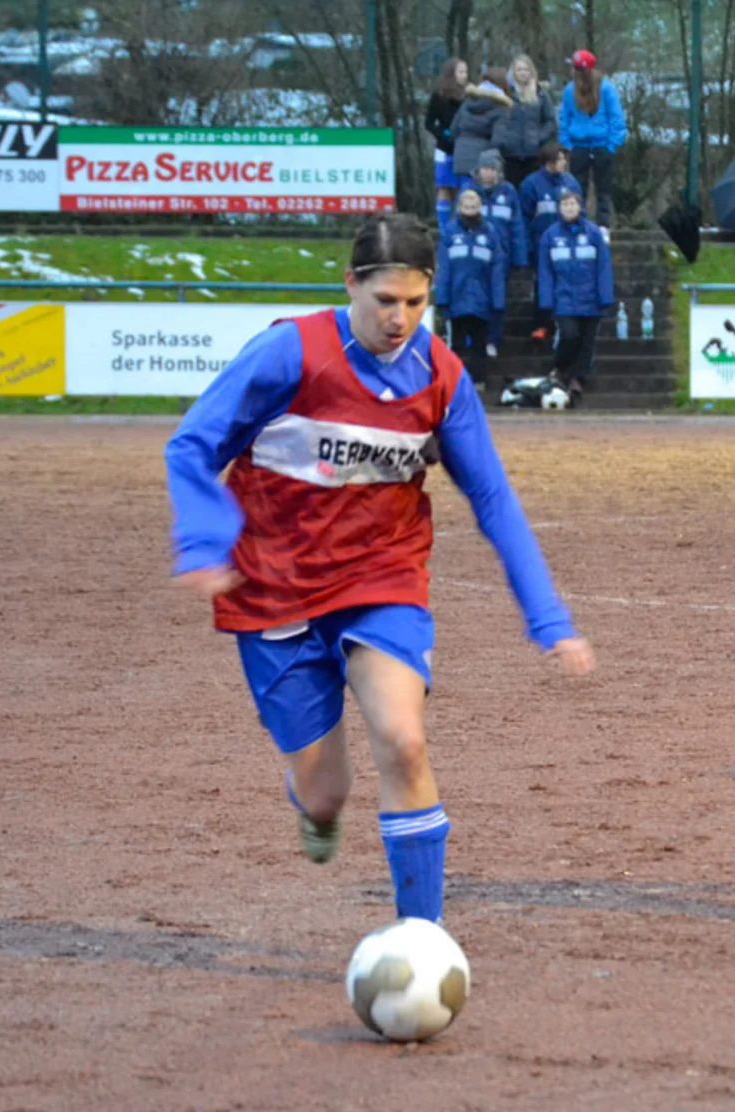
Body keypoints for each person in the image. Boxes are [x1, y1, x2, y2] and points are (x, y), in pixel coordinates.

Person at [164, 213, 593, 920]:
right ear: (350, 286)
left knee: (402, 740)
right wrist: (207, 542)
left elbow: (491, 497)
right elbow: (192, 445)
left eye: (416, 303)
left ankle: (420, 938)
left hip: (379, 579)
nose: (400, 320)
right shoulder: (287, 353)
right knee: (327, 791)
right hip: (276, 587)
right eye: (384, 302)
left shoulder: (439, 375)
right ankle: (317, 807)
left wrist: (548, 617)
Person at [538, 189, 615, 400]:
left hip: (591, 299)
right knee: (569, 335)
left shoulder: (594, 234)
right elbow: (545, 271)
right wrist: (546, 299)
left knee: (587, 342)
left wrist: (605, 296)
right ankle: (559, 368)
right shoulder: (550, 236)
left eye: (572, 204)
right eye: (565, 205)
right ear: (559, 208)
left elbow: (603, 267)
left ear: (580, 207)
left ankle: (578, 379)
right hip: (564, 298)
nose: (569, 208)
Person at [434, 187, 507, 388]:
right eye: (466, 206)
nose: (470, 209)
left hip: (481, 299)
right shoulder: (450, 231)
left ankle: (479, 383)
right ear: (459, 207)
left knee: (479, 344)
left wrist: (497, 299)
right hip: (456, 297)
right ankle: (454, 383)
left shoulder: (490, 232)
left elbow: (497, 269)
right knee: (456, 345)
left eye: (474, 206)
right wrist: (443, 298)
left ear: (480, 207)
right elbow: (445, 268)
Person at [520, 143, 582, 337]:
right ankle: (541, 324)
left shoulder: (571, 182)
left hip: (567, 243)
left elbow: (581, 212)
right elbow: (524, 218)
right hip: (541, 244)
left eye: (565, 159)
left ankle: (564, 324)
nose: (564, 162)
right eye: (560, 159)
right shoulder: (531, 184)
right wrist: (528, 246)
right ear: (549, 160)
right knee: (543, 284)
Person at [560, 49, 626, 233]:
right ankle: (578, 222)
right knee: (577, 187)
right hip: (578, 146)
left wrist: (612, 144)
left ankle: (603, 225)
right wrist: (567, 143)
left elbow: (616, 117)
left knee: (603, 189)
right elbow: (564, 117)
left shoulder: (606, 89)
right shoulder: (569, 91)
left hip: (602, 145)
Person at [495, 53, 557, 190]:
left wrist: (538, 139)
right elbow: (498, 120)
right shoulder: (505, 94)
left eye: (526, 69)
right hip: (510, 155)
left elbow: (550, 122)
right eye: (519, 69)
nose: (523, 73)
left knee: (532, 192)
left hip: (533, 154)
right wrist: (504, 140)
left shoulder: (541, 94)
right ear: (513, 72)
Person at [451, 64, 512, 190]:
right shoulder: (501, 108)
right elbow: (498, 141)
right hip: (484, 164)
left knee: (464, 200)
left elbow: (453, 129)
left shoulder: (467, 103)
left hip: (461, 157)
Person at [425, 58, 470, 225]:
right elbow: (429, 123)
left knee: (463, 190)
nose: (464, 76)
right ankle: (444, 227)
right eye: (460, 72)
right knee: (444, 187)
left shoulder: (470, 97)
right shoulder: (438, 96)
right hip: (444, 150)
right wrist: (442, 134)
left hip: (464, 150)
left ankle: (460, 225)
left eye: (465, 72)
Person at [469, 149, 528, 275]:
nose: (488, 173)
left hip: (502, 253)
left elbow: (517, 226)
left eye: (492, 169)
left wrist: (520, 260)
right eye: (485, 168)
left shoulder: (509, 191)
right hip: (475, 253)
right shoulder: (468, 191)